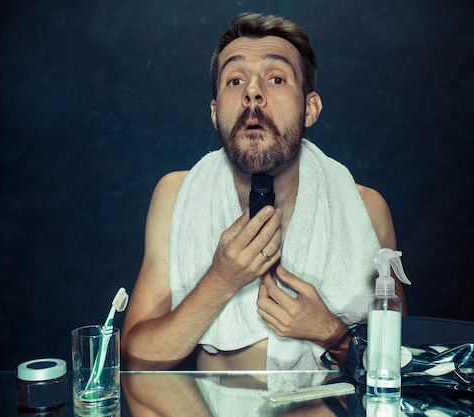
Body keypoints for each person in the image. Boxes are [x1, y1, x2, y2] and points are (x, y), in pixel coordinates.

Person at [121, 12, 406, 372]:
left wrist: (328, 332)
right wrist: (221, 280)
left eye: (276, 78)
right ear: (214, 113)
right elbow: (135, 357)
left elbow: (400, 364)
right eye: (235, 80)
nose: (252, 92)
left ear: (310, 109)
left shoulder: (367, 209)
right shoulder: (176, 196)